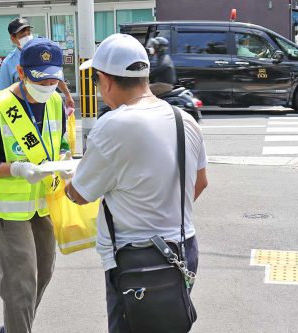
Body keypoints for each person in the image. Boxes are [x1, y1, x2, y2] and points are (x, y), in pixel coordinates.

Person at [64, 33, 208, 333]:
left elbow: (79, 195)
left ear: (105, 80)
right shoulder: (185, 120)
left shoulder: (113, 126)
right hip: (184, 250)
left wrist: (68, 180)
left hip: (135, 258)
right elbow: (201, 182)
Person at [0, 37, 67, 333]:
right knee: (21, 282)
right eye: (41, 78)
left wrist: (64, 158)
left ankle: (13, 326)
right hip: (5, 211)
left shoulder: (56, 102)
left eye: (54, 78)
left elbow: (59, 141)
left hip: (41, 203)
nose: (48, 85)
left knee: (44, 272)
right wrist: (17, 169)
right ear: (21, 73)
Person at [0, 18, 75, 110]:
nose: (27, 37)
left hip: (45, 105)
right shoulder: (9, 63)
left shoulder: (41, 52)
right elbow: (1, 92)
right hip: (22, 108)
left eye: (29, 33)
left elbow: (55, 76)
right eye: (22, 35)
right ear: (13, 38)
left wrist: (67, 95)